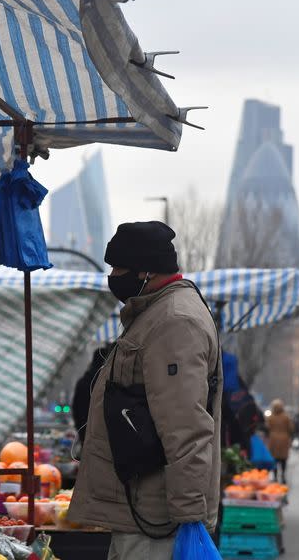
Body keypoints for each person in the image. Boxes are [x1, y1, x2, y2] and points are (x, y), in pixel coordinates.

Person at [69, 221, 221, 559]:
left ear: (146, 272)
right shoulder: (155, 314)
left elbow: (186, 425)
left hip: (156, 517)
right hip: (140, 508)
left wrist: (189, 515)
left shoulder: (174, 322)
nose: (113, 276)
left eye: (119, 268)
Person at [72, 343, 114, 445]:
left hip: (85, 432)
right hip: (102, 436)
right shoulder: (106, 382)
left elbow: (75, 409)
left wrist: (81, 431)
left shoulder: (83, 381)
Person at [265, 399, 294, 484]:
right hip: (284, 439)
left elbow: (267, 427)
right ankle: (283, 476)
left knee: (274, 459)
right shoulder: (286, 417)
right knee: (283, 459)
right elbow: (291, 428)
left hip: (273, 439)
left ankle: (275, 476)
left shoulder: (270, 417)